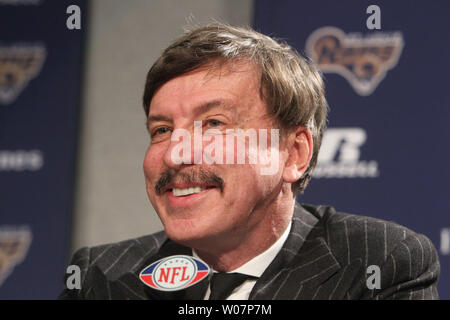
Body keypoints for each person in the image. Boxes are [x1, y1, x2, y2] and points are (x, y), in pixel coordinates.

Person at [59, 23, 440, 300]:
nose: (175, 154)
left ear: (295, 154)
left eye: (213, 124)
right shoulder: (101, 276)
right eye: (160, 130)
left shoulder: (378, 263)